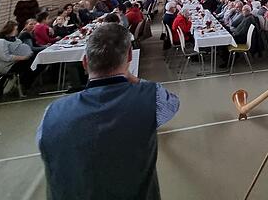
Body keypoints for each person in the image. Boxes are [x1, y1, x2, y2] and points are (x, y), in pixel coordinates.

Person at [37, 23, 180, 200]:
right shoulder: (152, 97)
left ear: (84, 62)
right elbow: (173, 104)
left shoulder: (51, 113)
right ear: (129, 57)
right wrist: (132, 77)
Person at [0, 20, 38, 94]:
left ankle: (26, 83)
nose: (17, 31)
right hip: (6, 65)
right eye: (16, 29)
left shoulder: (15, 39)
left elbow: (20, 46)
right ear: (10, 30)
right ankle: (25, 84)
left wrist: (27, 53)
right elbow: (5, 57)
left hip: (16, 62)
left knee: (34, 61)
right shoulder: (0, 41)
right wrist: (23, 57)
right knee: (30, 64)